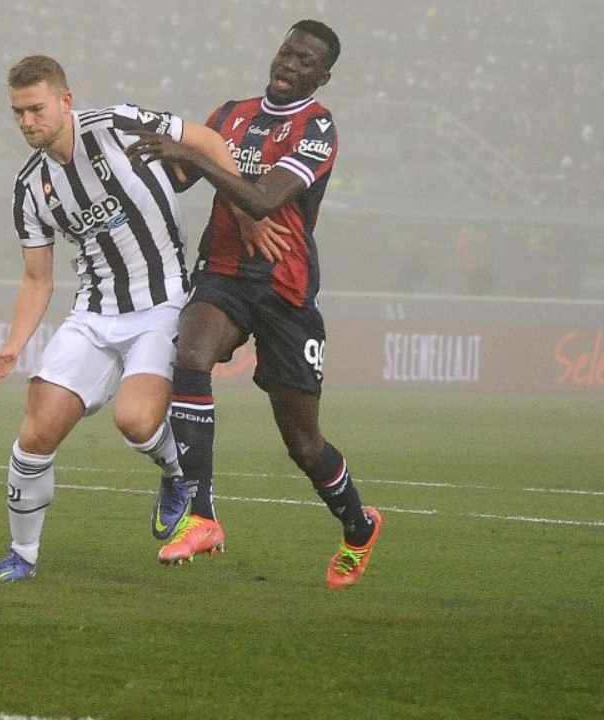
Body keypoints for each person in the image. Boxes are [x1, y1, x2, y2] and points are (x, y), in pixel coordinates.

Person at [126, 20, 384, 589]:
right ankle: (201, 515)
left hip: (285, 288)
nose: (289, 64)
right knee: (189, 355)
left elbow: (265, 199)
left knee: (303, 443)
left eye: (305, 59)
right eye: (287, 51)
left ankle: (359, 526)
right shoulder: (230, 114)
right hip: (223, 272)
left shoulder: (317, 128)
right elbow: (181, 176)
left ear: (323, 75)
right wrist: (143, 159)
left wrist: (200, 155)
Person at [0, 55, 250, 582]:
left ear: (65, 101)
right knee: (35, 434)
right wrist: (14, 345)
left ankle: (176, 474)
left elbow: (210, 142)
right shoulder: (30, 187)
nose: (27, 122)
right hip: (94, 314)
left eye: (36, 109)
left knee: (136, 421)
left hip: (164, 304)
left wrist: (244, 214)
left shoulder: (118, 125)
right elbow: (38, 279)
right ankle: (22, 555)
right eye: (18, 113)